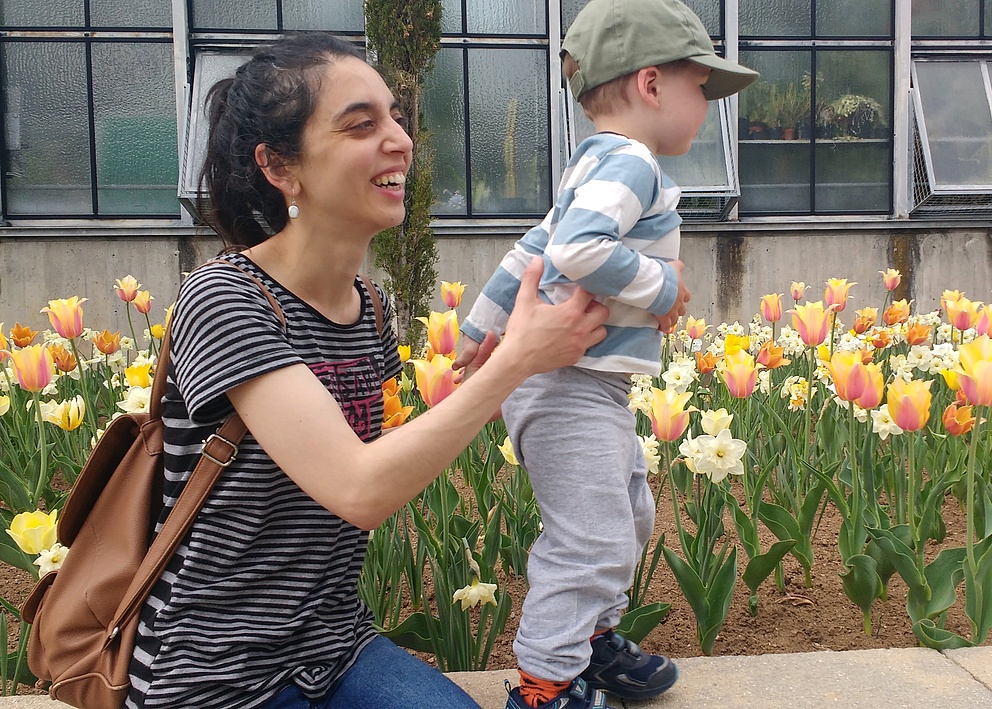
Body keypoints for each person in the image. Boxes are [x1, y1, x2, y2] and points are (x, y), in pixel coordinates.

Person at [124, 33, 609, 709]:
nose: (400, 141)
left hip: (334, 646)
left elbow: (369, 465)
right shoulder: (224, 298)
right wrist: (517, 362)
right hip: (212, 674)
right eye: (361, 125)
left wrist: (504, 368)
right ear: (279, 166)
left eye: (396, 118)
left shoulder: (368, 307)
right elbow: (358, 489)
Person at [455, 1, 759, 708]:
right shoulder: (630, 162)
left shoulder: (592, 164)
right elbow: (577, 248)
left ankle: (588, 639)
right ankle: (546, 683)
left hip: (582, 383)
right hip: (568, 382)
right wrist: (663, 288)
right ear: (651, 84)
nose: (708, 107)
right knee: (590, 537)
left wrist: (481, 327)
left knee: (628, 515)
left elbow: (536, 247)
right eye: (701, 88)